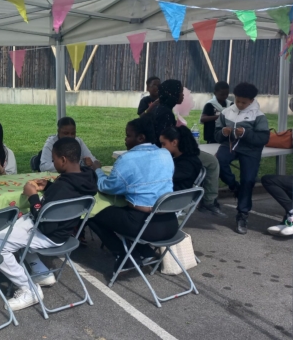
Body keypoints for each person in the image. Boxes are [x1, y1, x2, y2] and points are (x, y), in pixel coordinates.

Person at [0, 137, 98, 311]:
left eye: (54, 159)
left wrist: (33, 197)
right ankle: (41, 272)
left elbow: (44, 224)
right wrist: (50, 186)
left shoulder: (63, 187)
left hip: (49, 234)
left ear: (64, 160)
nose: (53, 162)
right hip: (64, 231)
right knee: (13, 228)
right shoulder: (87, 176)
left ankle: (28, 289)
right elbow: (64, 196)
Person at [87, 115, 175, 275]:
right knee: (119, 215)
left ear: (141, 137)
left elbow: (107, 187)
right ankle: (145, 251)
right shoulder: (165, 154)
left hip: (145, 226)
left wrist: (97, 170)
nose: (125, 140)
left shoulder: (127, 159)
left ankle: (124, 254)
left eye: (128, 135)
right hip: (171, 224)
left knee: (92, 213)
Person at [148, 79, 225, 217]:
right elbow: (168, 142)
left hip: (170, 151)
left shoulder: (160, 109)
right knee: (212, 162)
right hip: (174, 153)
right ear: (173, 94)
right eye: (180, 93)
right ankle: (209, 202)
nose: (183, 96)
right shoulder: (165, 113)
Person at [215, 82, 270, 234]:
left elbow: (263, 138)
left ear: (251, 101)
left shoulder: (259, 116)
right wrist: (223, 133)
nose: (239, 104)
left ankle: (242, 214)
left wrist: (245, 133)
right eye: (237, 100)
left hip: (251, 150)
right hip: (230, 145)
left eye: (244, 102)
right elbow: (217, 134)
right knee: (218, 162)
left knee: (248, 180)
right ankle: (235, 188)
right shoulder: (226, 112)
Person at [159, 126, 202, 191]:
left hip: (176, 197)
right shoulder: (184, 159)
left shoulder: (186, 165)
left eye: (163, 144)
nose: (162, 148)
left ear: (174, 143)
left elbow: (165, 178)